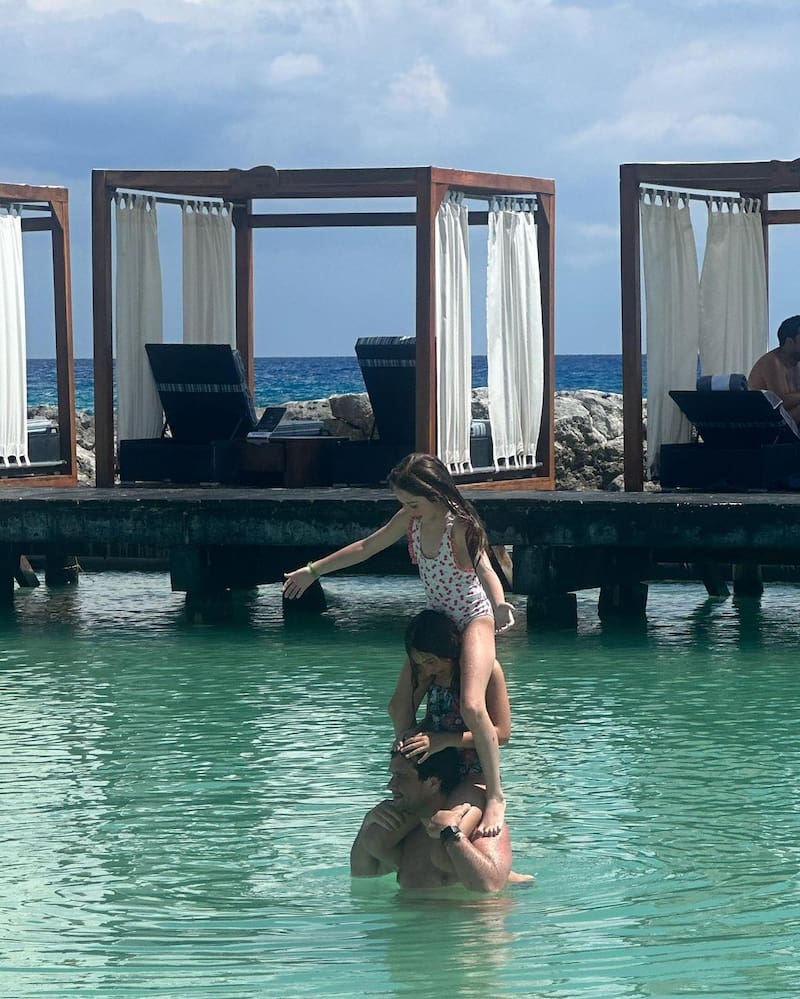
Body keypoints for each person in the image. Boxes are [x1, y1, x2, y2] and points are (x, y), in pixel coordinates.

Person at [283, 452, 515, 836]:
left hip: (474, 618)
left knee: (473, 706)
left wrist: (500, 603)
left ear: (436, 495)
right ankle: (416, 773)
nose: (408, 510)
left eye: (413, 503)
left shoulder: (461, 526)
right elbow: (365, 547)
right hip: (437, 623)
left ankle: (495, 796)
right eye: (404, 503)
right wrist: (313, 571)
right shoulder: (410, 520)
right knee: (397, 706)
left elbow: (485, 569)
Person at [350, 747, 517, 893]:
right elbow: (362, 876)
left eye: (401, 776)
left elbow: (491, 887)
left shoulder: (481, 823)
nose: (390, 785)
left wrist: (451, 834)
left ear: (432, 783)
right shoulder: (405, 835)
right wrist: (367, 823)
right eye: (393, 775)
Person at [748, 315, 800, 422]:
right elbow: (780, 403)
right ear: (789, 342)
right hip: (767, 423)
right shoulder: (772, 362)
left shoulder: (796, 363)